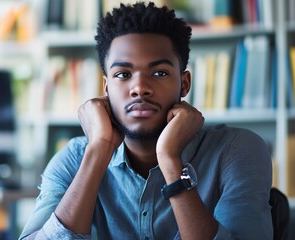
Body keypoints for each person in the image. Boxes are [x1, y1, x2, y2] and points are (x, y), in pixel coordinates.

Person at [19, 2, 273, 239]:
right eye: (123, 74)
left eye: (159, 72)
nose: (140, 87)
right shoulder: (74, 158)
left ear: (184, 84)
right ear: (105, 88)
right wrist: (98, 151)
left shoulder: (237, 150)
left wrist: (171, 161)